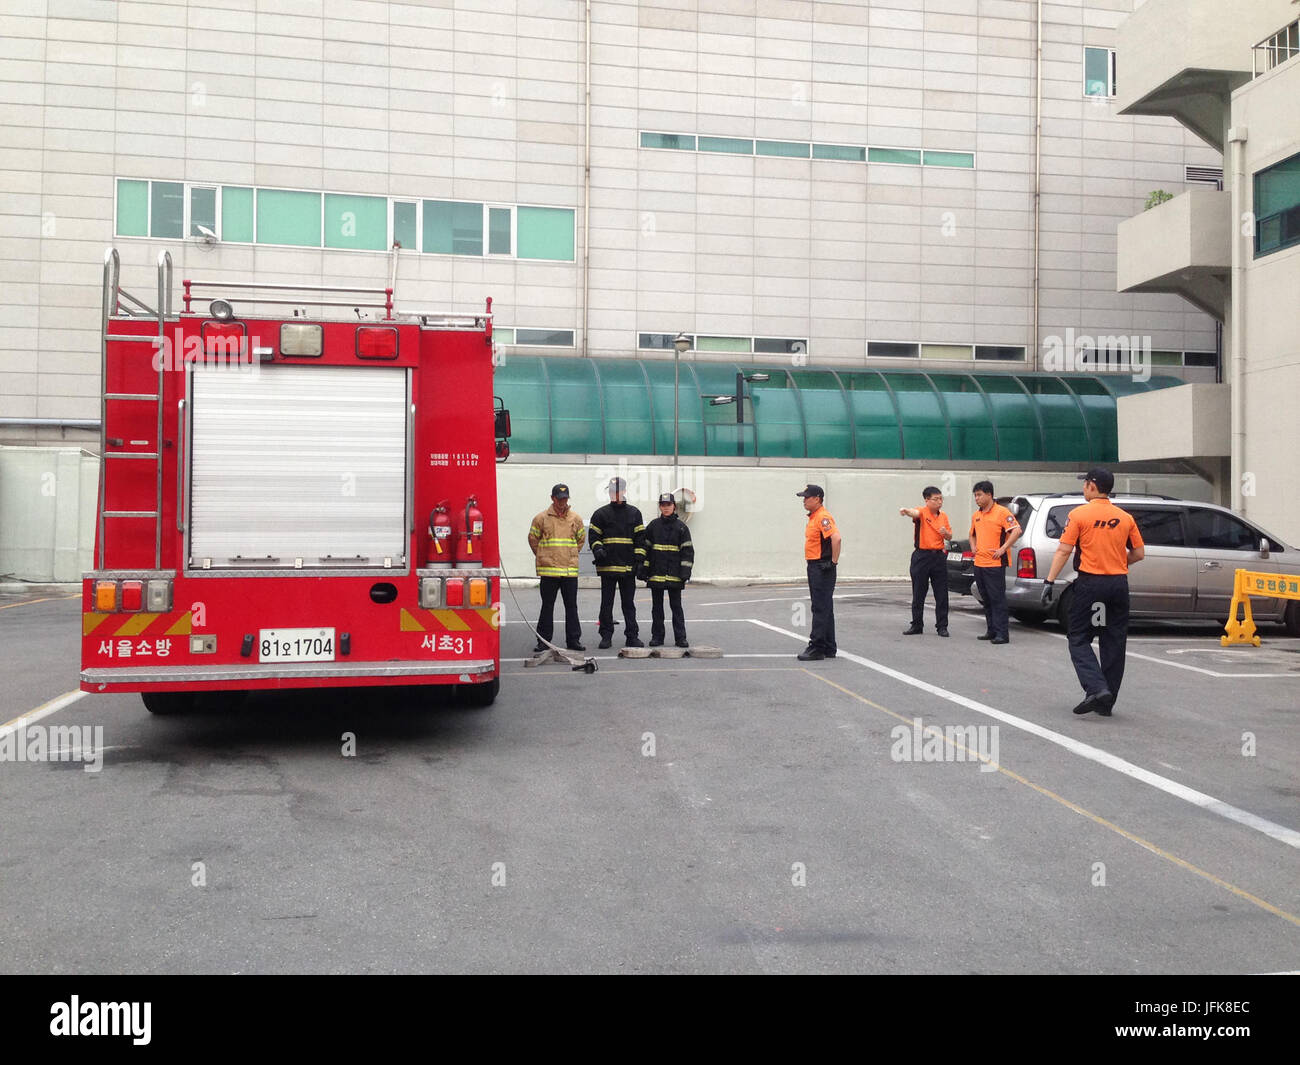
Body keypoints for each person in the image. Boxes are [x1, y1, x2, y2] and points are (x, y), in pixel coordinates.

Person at [1041, 468, 1145, 717]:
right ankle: (1106, 701)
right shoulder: (1124, 517)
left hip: (1090, 583)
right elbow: (1139, 554)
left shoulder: (1079, 514)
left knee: (1078, 637)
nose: (1084, 487)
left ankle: (1096, 688)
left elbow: (1064, 550)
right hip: (1118, 584)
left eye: (1085, 483)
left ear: (1092, 486)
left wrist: (1050, 580)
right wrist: (1116, 561)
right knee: (1114, 640)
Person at [527, 483, 585, 652]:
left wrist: (570, 553)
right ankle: (543, 642)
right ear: (552, 498)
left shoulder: (575, 518)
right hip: (549, 570)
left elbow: (580, 540)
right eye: (559, 499)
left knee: (571, 607)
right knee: (547, 606)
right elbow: (533, 539)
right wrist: (543, 555)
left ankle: (574, 641)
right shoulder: (541, 518)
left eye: (565, 498)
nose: (562, 502)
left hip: (569, 570)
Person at [588, 477, 645, 649]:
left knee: (629, 605)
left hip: (628, 567)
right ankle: (606, 636)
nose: (615, 494)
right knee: (606, 604)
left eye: (618, 491)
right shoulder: (600, 514)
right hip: (608, 567)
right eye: (612, 491)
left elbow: (640, 540)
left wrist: (640, 561)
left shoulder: (635, 513)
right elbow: (594, 537)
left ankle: (632, 636)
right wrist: (598, 549)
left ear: (624, 491)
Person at [968, 480, 1020, 645]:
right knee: (986, 599)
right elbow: (972, 534)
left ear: (989, 494)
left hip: (995, 565)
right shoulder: (976, 515)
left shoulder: (1002, 512)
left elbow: (1016, 530)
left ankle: (1002, 633)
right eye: (975, 495)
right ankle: (991, 630)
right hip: (979, 563)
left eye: (979, 495)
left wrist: (1003, 548)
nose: (976, 498)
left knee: (997, 599)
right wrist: (973, 547)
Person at [638, 492, 692, 648]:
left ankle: (680, 638)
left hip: (675, 575)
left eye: (669, 505)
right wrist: (643, 568)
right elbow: (645, 549)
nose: (666, 507)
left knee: (676, 608)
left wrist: (685, 572)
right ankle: (657, 637)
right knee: (657, 609)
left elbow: (687, 551)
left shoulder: (681, 527)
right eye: (663, 505)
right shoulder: (653, 526)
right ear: (660, 506)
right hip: (656, 575)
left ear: (674, 506)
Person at [900, 486, 952, 637]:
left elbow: (949, 535)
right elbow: (914, 513)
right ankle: (917, 624)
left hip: (938, 557)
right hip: (922, 556)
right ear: (927, 500)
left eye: (941, 499)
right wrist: (906, 511)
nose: (939, 502)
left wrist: (946, 533)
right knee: (918, 592)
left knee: (941, 593)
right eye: (935, 499)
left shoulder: (944, 516)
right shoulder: (922, 512)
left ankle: (942, 626)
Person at [797, 484, 841, 661]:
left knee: (820, 607)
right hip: (817, 566)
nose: (804, 500)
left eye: (807, 497)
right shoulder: (815, 517)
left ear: (817, 498)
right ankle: (829, 646)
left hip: (821, 567)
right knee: (825, 607)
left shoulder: (822, 517)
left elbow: (836, 538)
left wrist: (833, 562)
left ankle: (816, 647)